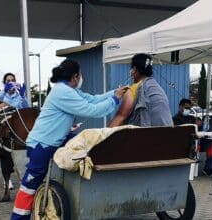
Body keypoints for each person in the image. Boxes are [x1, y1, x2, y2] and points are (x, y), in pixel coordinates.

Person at [11, 59, 128, 219]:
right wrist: (114, 100)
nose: (81, 78)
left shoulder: (70, 90)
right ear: (74, 77)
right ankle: (18, 218)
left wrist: (116, 92)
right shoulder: (62, 92)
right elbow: (91, 109)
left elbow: (93, 99)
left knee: (84, 146)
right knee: (29, 186)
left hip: (57, 139)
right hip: (42, 144)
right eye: (80, 75)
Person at [109, 53, 173, 127]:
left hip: (148, 135)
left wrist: (105, 136)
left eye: (132, 69)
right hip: (168, 133)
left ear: (135, 69)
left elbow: (121, 116)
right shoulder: (158, 88)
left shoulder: (134, 89)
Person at [173, 98, 212, 175]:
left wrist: (201, 124)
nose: (188, 109)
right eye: (186, 108)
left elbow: (201, 130)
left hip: (197, 140)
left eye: (189, 108)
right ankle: (190, 170)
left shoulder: (192, 118)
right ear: (180, 107)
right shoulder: (175, 119)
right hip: (185, 143)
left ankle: (208, 168)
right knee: (193, 144)